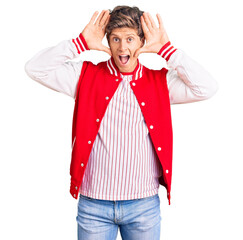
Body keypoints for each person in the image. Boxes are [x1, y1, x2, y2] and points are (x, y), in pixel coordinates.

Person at [24, 5, 218, 240]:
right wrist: (79, 43)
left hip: (143, 206)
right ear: (107, 40)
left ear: (141, 42)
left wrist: (167, 51)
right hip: (94, 206)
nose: (122, 47)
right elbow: (35, 69)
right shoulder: (84, 76)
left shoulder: (161, 83)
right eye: (115, 39)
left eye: (130, 39)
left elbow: (206, 88)